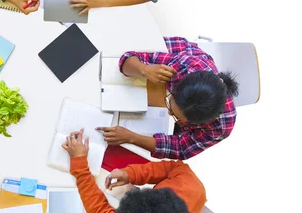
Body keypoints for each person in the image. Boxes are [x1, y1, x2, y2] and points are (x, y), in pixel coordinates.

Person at [64, 129, 206, 213]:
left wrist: (79, 165)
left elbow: (99, 212)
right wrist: (131, 174)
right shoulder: (192, 184)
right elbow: (171, 167)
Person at [98, 37, 239, 160]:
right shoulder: (183, 66)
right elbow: (128, 56)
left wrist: (132, 138)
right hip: (177, 53)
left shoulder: (222, 127)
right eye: (169, 104)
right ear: (177, 86)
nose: (169, 112)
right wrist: (144, 69)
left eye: (176, 116)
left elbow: (181, 149)